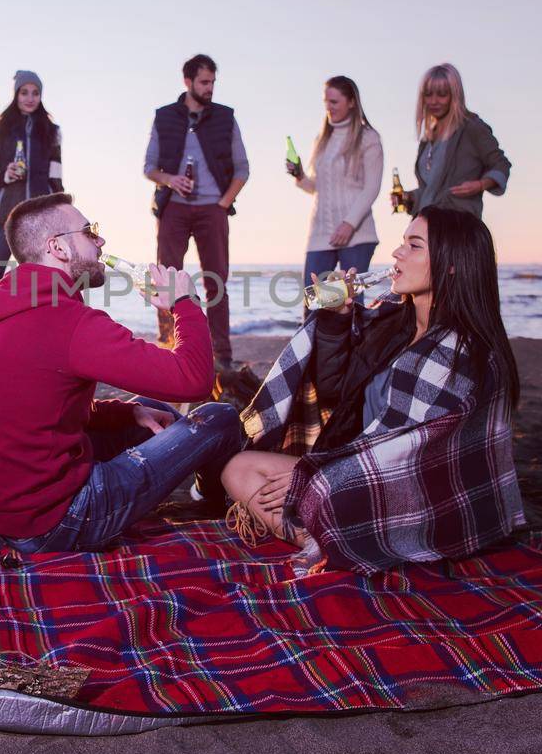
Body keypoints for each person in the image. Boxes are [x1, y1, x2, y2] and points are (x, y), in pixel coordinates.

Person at [222, 206, 525, 573]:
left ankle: (335, 538)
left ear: (451, 264)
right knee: (237, 469)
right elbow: (336, 394)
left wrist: (312, 476)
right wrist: (336, 319)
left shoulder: (459, 352)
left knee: (321, 493)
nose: (397, 254)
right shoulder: (392, 323)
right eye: (401, 244)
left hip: (413, 491)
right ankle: (322, 536)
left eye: (414, 246)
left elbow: (408, 454)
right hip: (355, 468)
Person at [0, 193, 243, 552]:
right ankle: (217, 503)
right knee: (219, 417)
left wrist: (128, 411)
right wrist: (184, 303)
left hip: (3, 513)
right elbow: (195, 380)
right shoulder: (70, 323)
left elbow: (37, 413)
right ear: (57, 247)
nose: (101, 240)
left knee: (153, 410)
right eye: (90, 232)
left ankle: (207, 489)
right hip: (55, 523)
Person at [143, 53, 249, 370]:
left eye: (213, 82)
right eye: (204, 82)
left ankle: (222, 355)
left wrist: (223, 203)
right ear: (187, 82)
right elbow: (149, 167)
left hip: (213, 209)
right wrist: (169, 179)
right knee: (166, 280)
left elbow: (243, 169)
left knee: (216, 281)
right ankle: (169, 347)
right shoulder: (164, 117)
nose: (210, 88)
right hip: (173, 208)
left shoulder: (226, 117)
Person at [287, 75, 386, 294]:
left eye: (334, 102)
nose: (328, 108)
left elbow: (372, 188)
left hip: (357, 235)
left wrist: (349, 224)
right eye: (326, 102)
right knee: (314, 300)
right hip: (321, 234)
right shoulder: (322, 140)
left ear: (351, 102)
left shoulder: (369, 138)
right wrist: (299, 175)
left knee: (350, 302)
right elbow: (317, 187)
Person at [0, 70, 63, 312]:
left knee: (41, 283)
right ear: (16, 94)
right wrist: (5, 174)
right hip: (6, 217)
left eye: (35, 93)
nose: (30, 98)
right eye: (24, 92)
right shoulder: (0, 128)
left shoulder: (52, 131)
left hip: (38, 220)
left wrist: (59, 212)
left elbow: (56, 179)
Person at [392, 63, 511, 218]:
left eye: (442, 94)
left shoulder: (472, 128)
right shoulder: (428, 139)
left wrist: (479, 185)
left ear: (455, 95)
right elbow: (432, 190)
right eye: (428, 94)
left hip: (458, 222)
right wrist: (410, 197)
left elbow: (501, 164)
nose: (434, 101)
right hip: (427, 224)